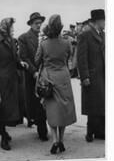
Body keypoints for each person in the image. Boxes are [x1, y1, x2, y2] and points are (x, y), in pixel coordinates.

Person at [0, 18, 28, 150]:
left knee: (9, 111)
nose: (13, 30)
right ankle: (3, 137)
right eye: (12, 28)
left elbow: (14, 59)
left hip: (12, 81)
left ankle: (2, 131)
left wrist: (21, 64)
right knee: (1, 110)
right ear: (6, 28)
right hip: (0, 83)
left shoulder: (10, 41)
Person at [35, 15, 77, 153]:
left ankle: (54, 140)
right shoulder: (66, 43)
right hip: (63, 78)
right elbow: (69, 57)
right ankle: (61, 140)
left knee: (52, 111)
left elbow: (37, 60)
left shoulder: (44, 44)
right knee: (63, 109)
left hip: (49, 79)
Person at [18, 12, 48, 140]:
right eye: (36, 23)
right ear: (31, 24)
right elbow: (24, 56)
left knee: (46, 101)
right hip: (32, 76)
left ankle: (42, 126)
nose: (39, 25)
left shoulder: (45, 36)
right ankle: (42, 130)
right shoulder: (24, 38)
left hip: (45, 74)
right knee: (36, 103)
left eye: (40, 23)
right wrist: (34, 71)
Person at [77, 9, 106, 142]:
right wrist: (84, 77)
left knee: (101, 104)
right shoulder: (85, 34)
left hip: (102, 74)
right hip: (92, 75)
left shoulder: (102, 34)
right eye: (103, 20)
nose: (105, 23)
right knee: (92, 105)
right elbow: (81, 58)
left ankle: (100, 132)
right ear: (97, 21)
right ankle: (90, 132)